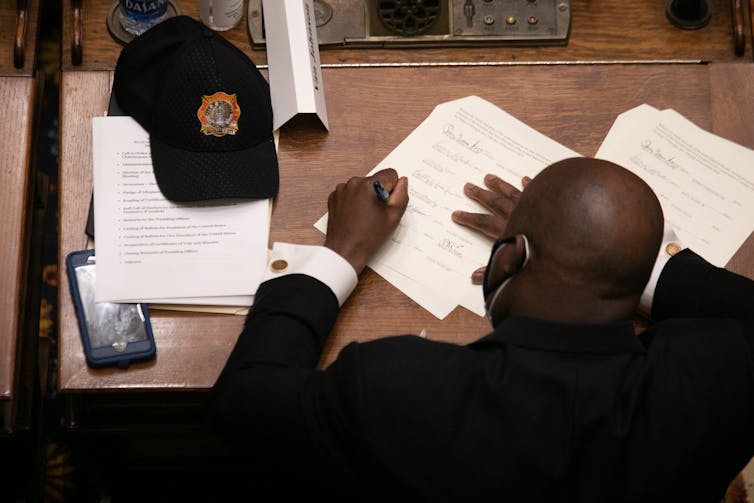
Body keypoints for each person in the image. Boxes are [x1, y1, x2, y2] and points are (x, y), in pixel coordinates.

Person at [209, 157, 754, 502]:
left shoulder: (397, 389)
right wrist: (614, 257)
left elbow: (244, 402)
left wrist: (341, 252)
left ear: (509, 258)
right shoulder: (720, 380)